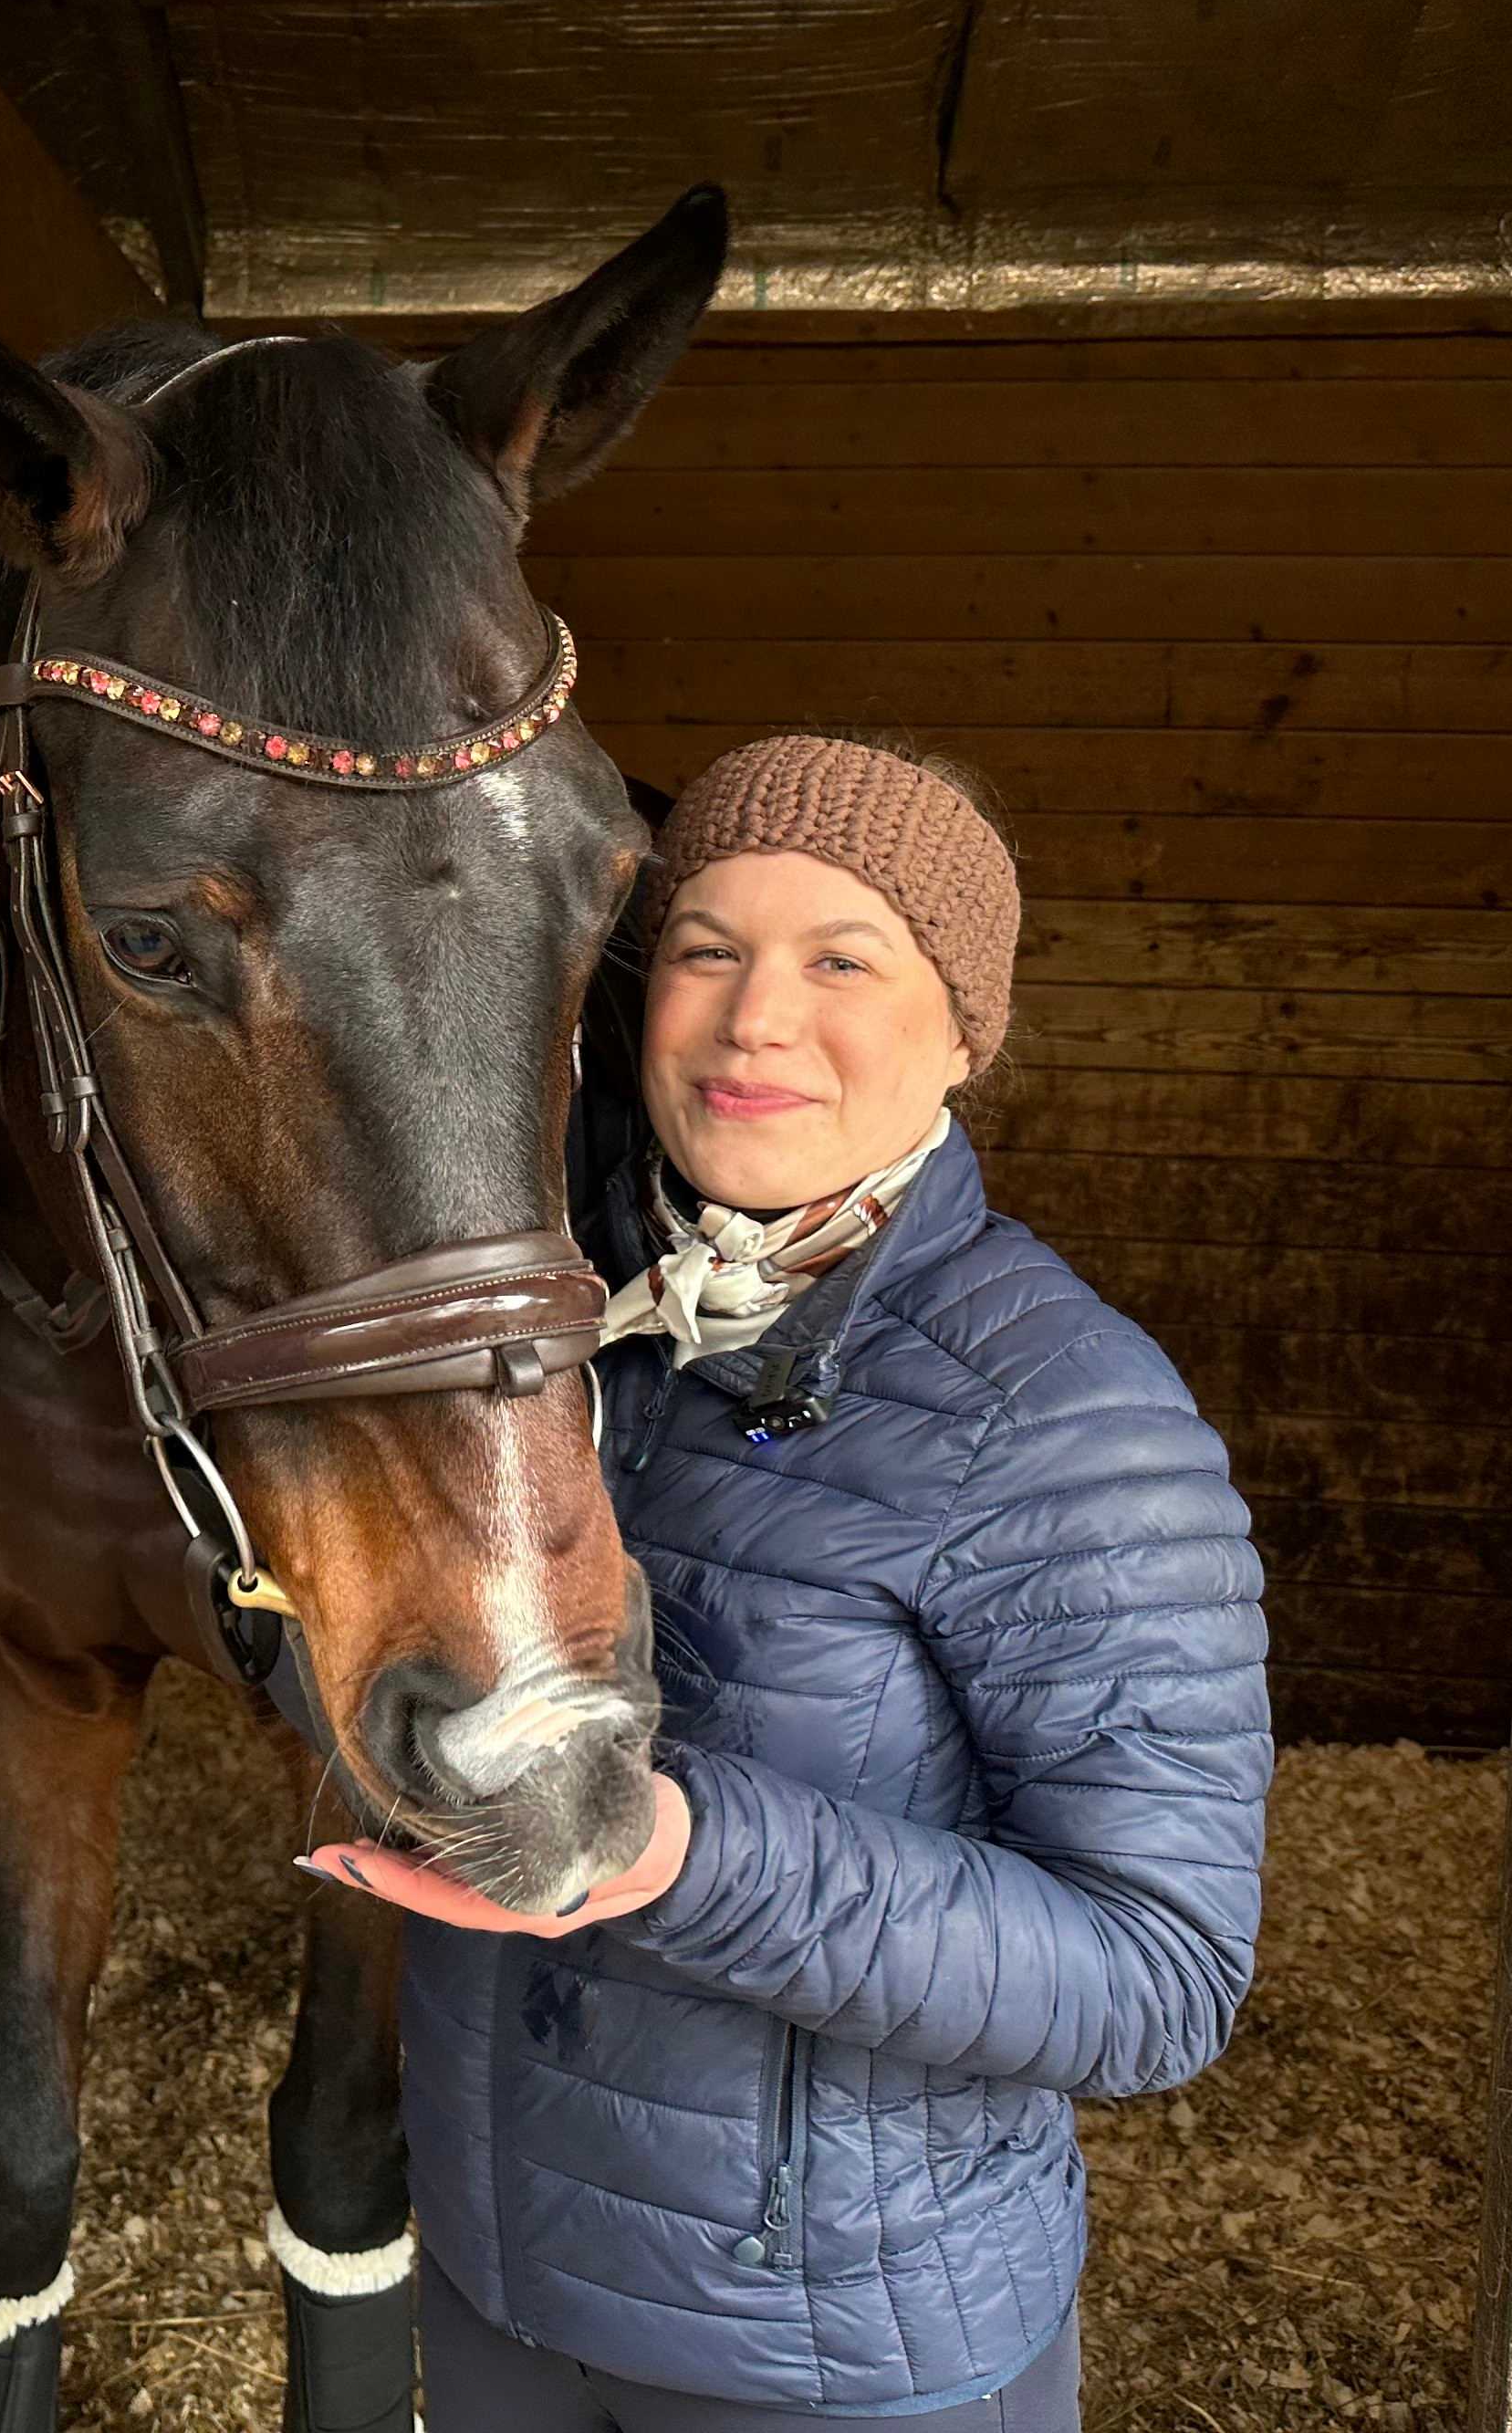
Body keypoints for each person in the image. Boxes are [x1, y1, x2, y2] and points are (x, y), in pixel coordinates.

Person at [304, 735, 1273, 2430]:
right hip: (497, 2285)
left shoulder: (1065, 1421)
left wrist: (680, 1857)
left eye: (844, 961)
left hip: (832, 2357)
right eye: (706, 950)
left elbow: (1156, 1973)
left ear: (965, 1032)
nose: (757, 1018)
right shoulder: (545, 1332)